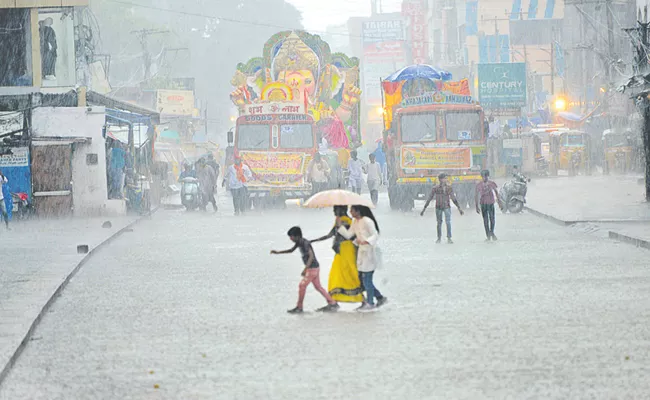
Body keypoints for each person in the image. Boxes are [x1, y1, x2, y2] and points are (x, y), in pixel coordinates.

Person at [271, 226, 339, 314]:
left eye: (291, 236)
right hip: (315, 267)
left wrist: (305, 269)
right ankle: (332, 303)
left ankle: (299, 307)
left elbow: (311, 256)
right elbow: (291, 250)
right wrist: (278, 252)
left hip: (312, 268)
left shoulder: (304, 243)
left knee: (302, 286)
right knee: (318, 287)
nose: (290, 238)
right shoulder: (299, 241)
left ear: (297, 236)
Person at [311, 206, 364, 304]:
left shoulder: (347, 221)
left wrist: (339, 225)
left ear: (341, 210)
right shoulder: (341, 221)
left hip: (347, 250)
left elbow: (349, 236)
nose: (334, 211)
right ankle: (333, 301)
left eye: (335, 209)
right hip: (341, 251)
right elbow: (329, 235)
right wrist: (313, 241)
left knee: (350, 273)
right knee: (338, 274)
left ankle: (362, 299)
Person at [337, 205, 386, 310]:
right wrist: (340, 225)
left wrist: (366, 241)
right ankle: (379, 297)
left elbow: (375, 234)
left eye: (352, 210)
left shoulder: (367, 221)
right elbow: (349, 235)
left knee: (367, 278)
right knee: (363, 279)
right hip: (361, 253)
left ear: (358, 211)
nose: (350, 212)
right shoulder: (355, 222)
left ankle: (370, 302)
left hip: (369, 252)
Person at [420, 173, 464, 244]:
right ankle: (439, 238)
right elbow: (429, 198)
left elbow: (453, 198)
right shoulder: (435, 188)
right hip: (439, 207)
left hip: (446, 207)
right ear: (440, 179)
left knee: (448, 222)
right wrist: (424, 209)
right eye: (444, 178)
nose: (446, 180)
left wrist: (459, 208)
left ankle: (449, 238)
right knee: (439, 223)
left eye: (446, 178)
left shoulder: (449, 188)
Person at [475, 170, 502, 241]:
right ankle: (488, 235)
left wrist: (499, 203)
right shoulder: (479, 185)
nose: (484, 178)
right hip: (483, 204)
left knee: (492, 219)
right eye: (483, 176)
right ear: (481, 177)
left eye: (486, 176)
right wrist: (476, 206)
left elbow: (496, 192)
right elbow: (476, 195)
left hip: (490, 203)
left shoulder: (491, 184)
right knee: (485, 220)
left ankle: (492, 232)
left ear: (488, 176)